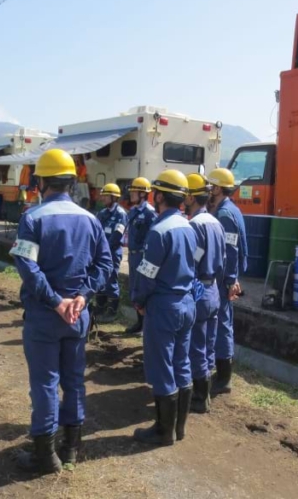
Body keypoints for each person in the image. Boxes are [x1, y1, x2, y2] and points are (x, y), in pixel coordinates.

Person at [11, 149, 112, 474]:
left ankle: (45, 455)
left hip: (45, 314)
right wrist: (82, 296)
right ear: (72, 181)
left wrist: (56, 301)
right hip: (77, 316)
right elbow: (105, 264)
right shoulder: (92, 219)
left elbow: (26, 265)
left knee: (44, 383)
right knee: (74, 381)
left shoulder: (32, 217)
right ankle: (71, 448)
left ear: (41, 181)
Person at [131, 170, 196, 446]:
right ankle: (179, 429)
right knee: (182, 364)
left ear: (158, 196)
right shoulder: (189, 227)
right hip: (187, 303)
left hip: (164, 306)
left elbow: (147, 274)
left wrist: (139, 300)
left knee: (161, 368)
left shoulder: (158, 231)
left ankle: (163, 431)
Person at [184, 173, 226, 413]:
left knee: (196, 346)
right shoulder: (215, 223)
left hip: (199, 288)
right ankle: (205, 390)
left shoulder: (194, 226)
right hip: (213, 290)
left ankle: (200, 398)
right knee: (208, 344)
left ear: (191, 196)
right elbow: (223, 260)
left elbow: (191, 263)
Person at [207, 168, 248, 395]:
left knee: (222, 325)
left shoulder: (224, 215)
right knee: (224, 323)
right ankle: (222, 374)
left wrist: (231, 280)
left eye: (211, 186)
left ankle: (223, 379)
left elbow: (230, 250)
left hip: (222, 279)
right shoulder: (230, 209)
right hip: (226, 277)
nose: (208, 191)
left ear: (218, 188)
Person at [124, 177, 157, 334]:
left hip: (142, 256)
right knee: (134, 289)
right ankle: (139, 323)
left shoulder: (149, 213)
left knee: (142, 288)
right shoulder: (133, 212)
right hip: (132, 255)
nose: (131, 195)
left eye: (134, 192)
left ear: (143, 194)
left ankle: (145, 325)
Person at [94, 183, 128, 323]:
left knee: (111, 278)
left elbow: (117, 235)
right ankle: (100, 307)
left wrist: (105, 249)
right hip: (101, 251)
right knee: (100, 277)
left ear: (114, 198)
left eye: (106, 196)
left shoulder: (120, 214)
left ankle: (112, 311)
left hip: (112, 252)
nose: (103, 198)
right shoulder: (102, 214)